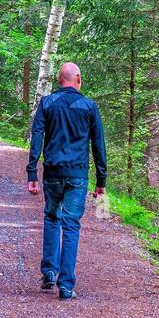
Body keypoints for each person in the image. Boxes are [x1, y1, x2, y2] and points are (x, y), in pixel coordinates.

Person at [27, 61, 106, 300]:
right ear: (78, 78)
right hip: (77, 174)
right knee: (71, 225)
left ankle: (49, 272)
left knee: (52, 218)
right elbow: (98, 145)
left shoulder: (47, 103)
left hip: (52, 172)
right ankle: (66, 285)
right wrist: (101, 181)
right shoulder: (89, 106)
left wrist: (32, 173)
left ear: (59, 80)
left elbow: (36, 138)